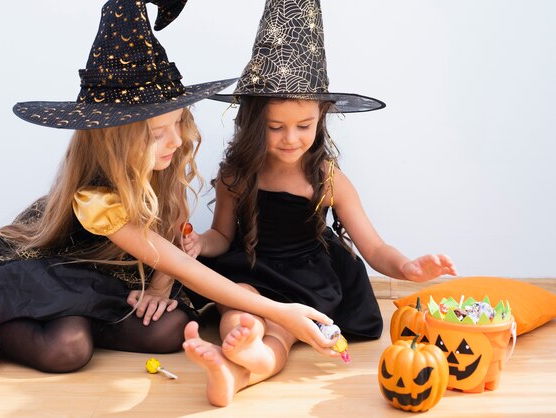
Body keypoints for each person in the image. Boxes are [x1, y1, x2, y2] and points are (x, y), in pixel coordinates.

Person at [0, 0, 337, 374]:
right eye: (157, 133)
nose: (176, 141)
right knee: (67, 349)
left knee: (170, 328)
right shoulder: (95, 198)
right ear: (115, 139)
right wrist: (281, 311)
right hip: (54, 267)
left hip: (110, 275)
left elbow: (173, 235)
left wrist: (159, 286)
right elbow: (182, 262)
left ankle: (84, 314)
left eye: (178, 124)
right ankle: (9, 318)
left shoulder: (167, 162)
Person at [180, 0, 457, 406]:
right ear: (254, 123)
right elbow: (223, 235)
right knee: (236, 303)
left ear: (322, 118)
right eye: (276, 127)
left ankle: (249, 360)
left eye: (303, 126)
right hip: (252, 269)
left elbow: (374, 247)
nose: (290, 138)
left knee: (284, 329)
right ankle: (236, 357)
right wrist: (202, 244)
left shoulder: (326, 178)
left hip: (304, 280)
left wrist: (406, 267)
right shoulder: (236, 176)